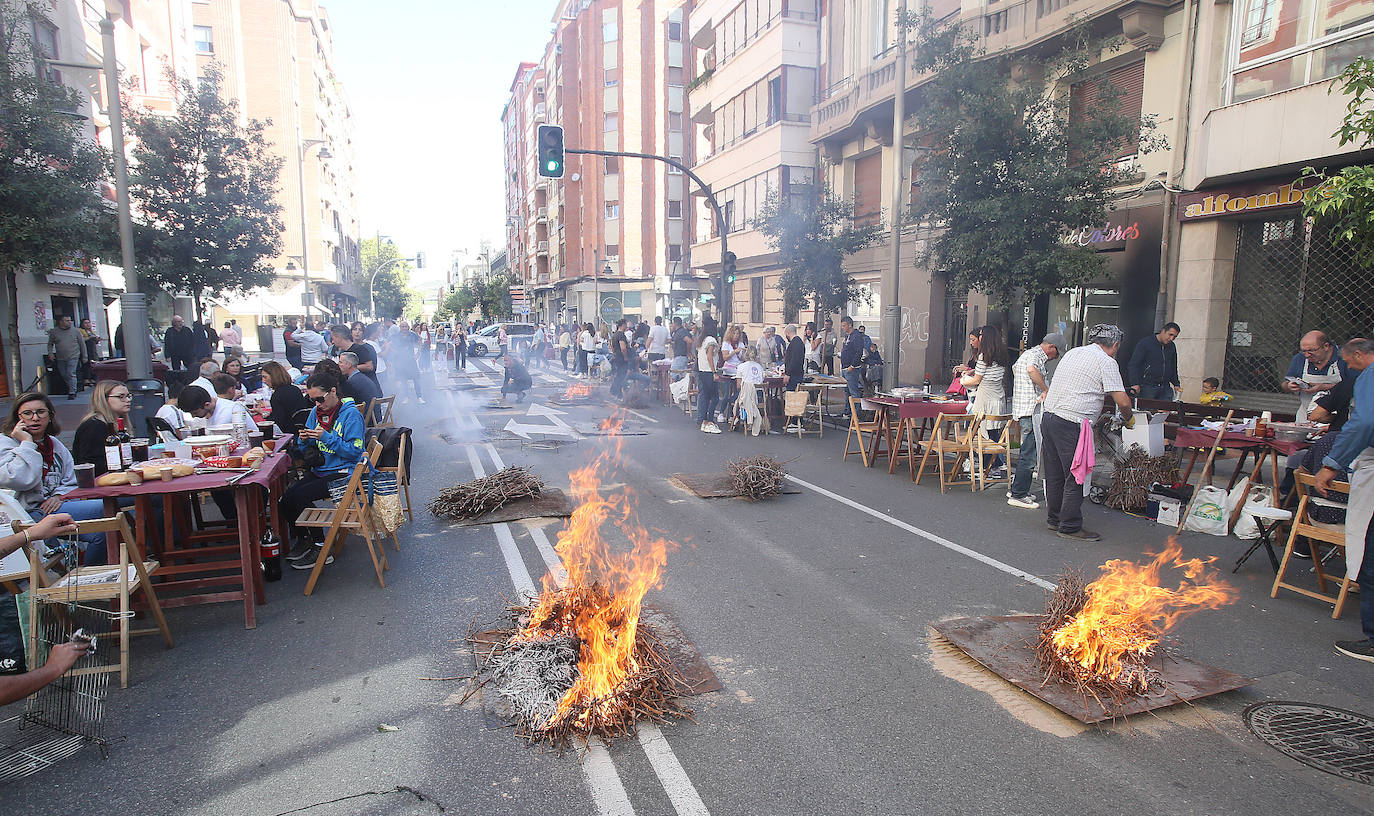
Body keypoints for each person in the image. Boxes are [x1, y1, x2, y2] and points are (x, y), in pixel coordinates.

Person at [1040, 324, 1134, 542]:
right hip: (1072, 422)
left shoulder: (1074, 352)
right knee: (1075, 474)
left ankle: (1054, 519)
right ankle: (1070, 526)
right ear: (1115, 345)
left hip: (1050, 416)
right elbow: (1122, 401)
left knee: (1055, 474)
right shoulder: (1106, 361)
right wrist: (1129, 418)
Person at [1313, 337, 1374, 664]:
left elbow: (1363, 423)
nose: (1349, 368)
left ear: (1360, 355)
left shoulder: (1369, 376)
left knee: (1370, 550)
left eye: (1349, 362)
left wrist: (1331, 464)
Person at [0, 393, 109, 563]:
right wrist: (27, 443)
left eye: (40, 412)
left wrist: (59, 496)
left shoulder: (53, 444)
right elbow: (20, 479)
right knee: (106, 507)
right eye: (27, 413)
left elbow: (70, 479)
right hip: (26, 513)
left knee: (104, 532)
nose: (35, 418)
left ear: (50, 416)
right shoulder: (6, 443)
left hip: (55, 506)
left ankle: (90, 575)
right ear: (17, 418)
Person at [282, 372, 366, 571]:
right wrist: (304, 440)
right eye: (312, 400)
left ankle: (321, 547)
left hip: (345, 472)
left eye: (320, 399)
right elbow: (309, 447)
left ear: (333, 391)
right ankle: (304, 539)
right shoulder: (315, 412)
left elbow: (355, 451)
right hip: (323, 468)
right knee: (286, 499)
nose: (317, 404)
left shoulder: (351, 414)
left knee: (301, 496)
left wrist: (327, 437)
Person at [1008, 333, 1064, 509]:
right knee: (1029, 453)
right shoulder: (1035, 356)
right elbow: (1031, 370)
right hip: (1031, 409)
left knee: (1027, 451)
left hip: (1024, 407)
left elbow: (1016, 368)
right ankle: (1018, 494)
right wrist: (1045, 389)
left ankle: (1017, 488)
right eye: (1057, 353)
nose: (1056, 357)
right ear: (1051, 347)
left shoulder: (1028, 354)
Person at [961, 324, 1011, 475]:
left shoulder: (983, 356)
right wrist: (973, 371)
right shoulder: (1001, 354)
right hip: (998, 397)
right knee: (994, 433)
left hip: (985, 398)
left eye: (981, 334)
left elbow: (976, 380)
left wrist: (964, 380)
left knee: (983, 433)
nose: (980, 337)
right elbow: (988, 373)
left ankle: (987, 466)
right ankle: (995, 465)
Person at [1283, 330, 1351, 422]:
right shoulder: (1299, 359)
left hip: (1335, 418)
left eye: (1311, 350)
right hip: (1305, 417)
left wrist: (1324, 387)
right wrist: (1289, 386)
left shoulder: (1344, 359)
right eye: (1304, 351)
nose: (1307, 355)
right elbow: (1284, 384)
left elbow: (1353, 387)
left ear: (1326, 346)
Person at [72, 381, 135, 477]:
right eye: (121, 396)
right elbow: (89, 464)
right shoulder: (94, 426)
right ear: (104, 399)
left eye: (128, 396)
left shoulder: (117, 423)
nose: (128, 400)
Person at [1127, 322, 1181, 400]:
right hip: (1147, 386)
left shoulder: (1172, 346)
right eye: (1170, 335)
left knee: (1167, 407)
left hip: (1165, 387)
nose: (1171, 338)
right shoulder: (1145, 343)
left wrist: (1176, 384)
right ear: (1163, 331)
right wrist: (1134, 383)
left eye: (1175, 337)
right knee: (1147, 407)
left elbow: (1173, 367)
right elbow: (1134, 364)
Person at [261, 361, 312, 435]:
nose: (263, 380)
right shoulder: (295, 389)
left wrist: (265, 419)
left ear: (273, 376)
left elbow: (278, 420)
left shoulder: (277, 395)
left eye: (265, 377)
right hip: (301, 428)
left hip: (289, 432)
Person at [45, 314, 87, 400]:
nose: (69, 322)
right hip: (60, 357)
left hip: (73, 356)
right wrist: (50, 353)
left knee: (71, 373)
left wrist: (84, 356)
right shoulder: (54, 332)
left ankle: (72, 392)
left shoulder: (76, 331)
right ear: (61, 322)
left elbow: (82, 344)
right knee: (64, 374)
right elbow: (50, 344)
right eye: (67, 320)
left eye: (70, 320)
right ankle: (72, 387)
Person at [388, 321, 425, 404]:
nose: (404, 328)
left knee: (416, 378)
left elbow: (420, 340)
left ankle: (419, 397)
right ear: (400, 327)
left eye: (405, 326)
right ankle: (406, 397)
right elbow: (389, 344)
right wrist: (394, 352)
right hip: (400, 361)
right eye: (402, 327)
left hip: (411, 360)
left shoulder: (412, 335)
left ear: (408, 327)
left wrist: (418, 353)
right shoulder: (396, 336)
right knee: (403, 379)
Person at [716, 325, 745, 422]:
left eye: (738, 334)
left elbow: (742, 358)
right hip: (729, 369)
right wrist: (734, 352)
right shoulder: (726, 344)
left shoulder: (741, 344)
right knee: (727, 393)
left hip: (738, 369)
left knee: (738, 391)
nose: (736, 335)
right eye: (734, 333)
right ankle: (721, 412)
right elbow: (725, 357)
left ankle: (733, 412)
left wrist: (744, 354)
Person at [838, 316, 866, 418]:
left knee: (853, 391)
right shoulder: (847, 336)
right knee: (847, 391)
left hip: (851, 368)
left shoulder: (856, 336)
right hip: (844, 367)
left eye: (844, 325)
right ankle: (847, 411)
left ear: (850, 325)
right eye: (842, 326)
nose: (843, 328)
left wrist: (853, 365)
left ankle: (855, 413)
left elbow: (858, 352)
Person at [697, 332, 722, 434]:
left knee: (706, 397)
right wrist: (714, 372)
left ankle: (704, 420)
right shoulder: (711, 340)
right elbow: (709, 356)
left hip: (702, 370)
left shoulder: (702, 340)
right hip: (709, 372)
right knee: (715, 398)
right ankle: (709, 420)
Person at [78, 317, 101, 388]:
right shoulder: (80, 331)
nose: (88, 324)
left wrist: (97, 339)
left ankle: (93, 378)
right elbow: (81, 340)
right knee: (86, 365)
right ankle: (86, 379)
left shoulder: (91, 331)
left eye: (88, 323)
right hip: (85, 350)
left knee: (94, 364)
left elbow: (95, 341)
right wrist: (89, 338)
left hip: (93, 350)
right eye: (85, 323)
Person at [783, 324, 806, 392]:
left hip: (794, 376)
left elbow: (794, 360)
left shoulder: (795, 343)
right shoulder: (798, 342)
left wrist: (788, 374)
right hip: (796, 374)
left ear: (787, 333)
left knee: (792, 394)